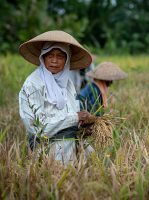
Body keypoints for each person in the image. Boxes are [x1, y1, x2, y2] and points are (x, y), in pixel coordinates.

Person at [18, 30, 95, 165]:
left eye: (60, 56)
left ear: (67, 60)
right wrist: (75, 118)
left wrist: (83, 127)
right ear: (43, 57)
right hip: (49, 153)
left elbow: (71, 116)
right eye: (50, 56)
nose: (54, 61)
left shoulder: (68, 84)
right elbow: (37, 128)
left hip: (72, 149)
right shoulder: (33, 84)